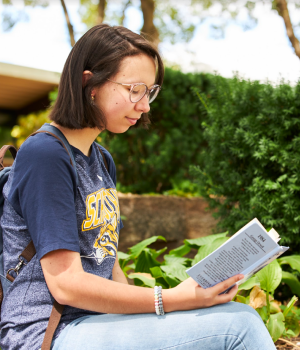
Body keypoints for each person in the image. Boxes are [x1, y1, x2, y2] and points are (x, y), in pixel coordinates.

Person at [0, 24, 276, 350]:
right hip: (47, 333)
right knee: (238, 326)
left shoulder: (100, 159)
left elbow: (106, 257)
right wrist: (168, 299)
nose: (145, 105)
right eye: (135, 90)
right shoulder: (45, 155)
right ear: (90, 83)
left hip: (94, 322)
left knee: (230, 313)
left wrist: (154, 314)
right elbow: (66, 285)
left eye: (150, 92)